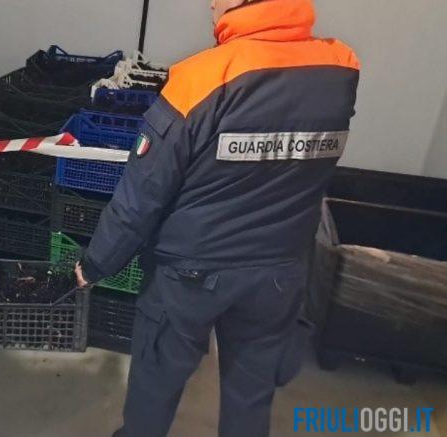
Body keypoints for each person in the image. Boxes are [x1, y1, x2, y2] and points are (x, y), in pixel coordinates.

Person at [75, 0, 360, 436]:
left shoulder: (202, 77)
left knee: (156, 381)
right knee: (252, 392)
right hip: (279, 271)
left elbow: (143, 194)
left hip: (190, 274)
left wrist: (96, 263)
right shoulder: (340, 67)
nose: (210, 4)